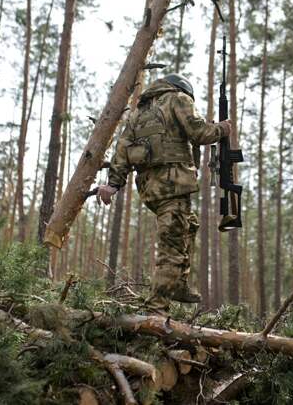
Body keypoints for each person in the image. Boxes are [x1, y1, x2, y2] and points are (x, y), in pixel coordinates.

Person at [97, 73, 230, 308]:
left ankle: (177, 284)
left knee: (188, 224)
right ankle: (156, 308)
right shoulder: (178, 98)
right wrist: (222, 128)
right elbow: (200, 134)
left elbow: (121, 150)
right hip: (174, 186)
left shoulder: (138, 113)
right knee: (172, 248)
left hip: (151, 191)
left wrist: (113, 184)